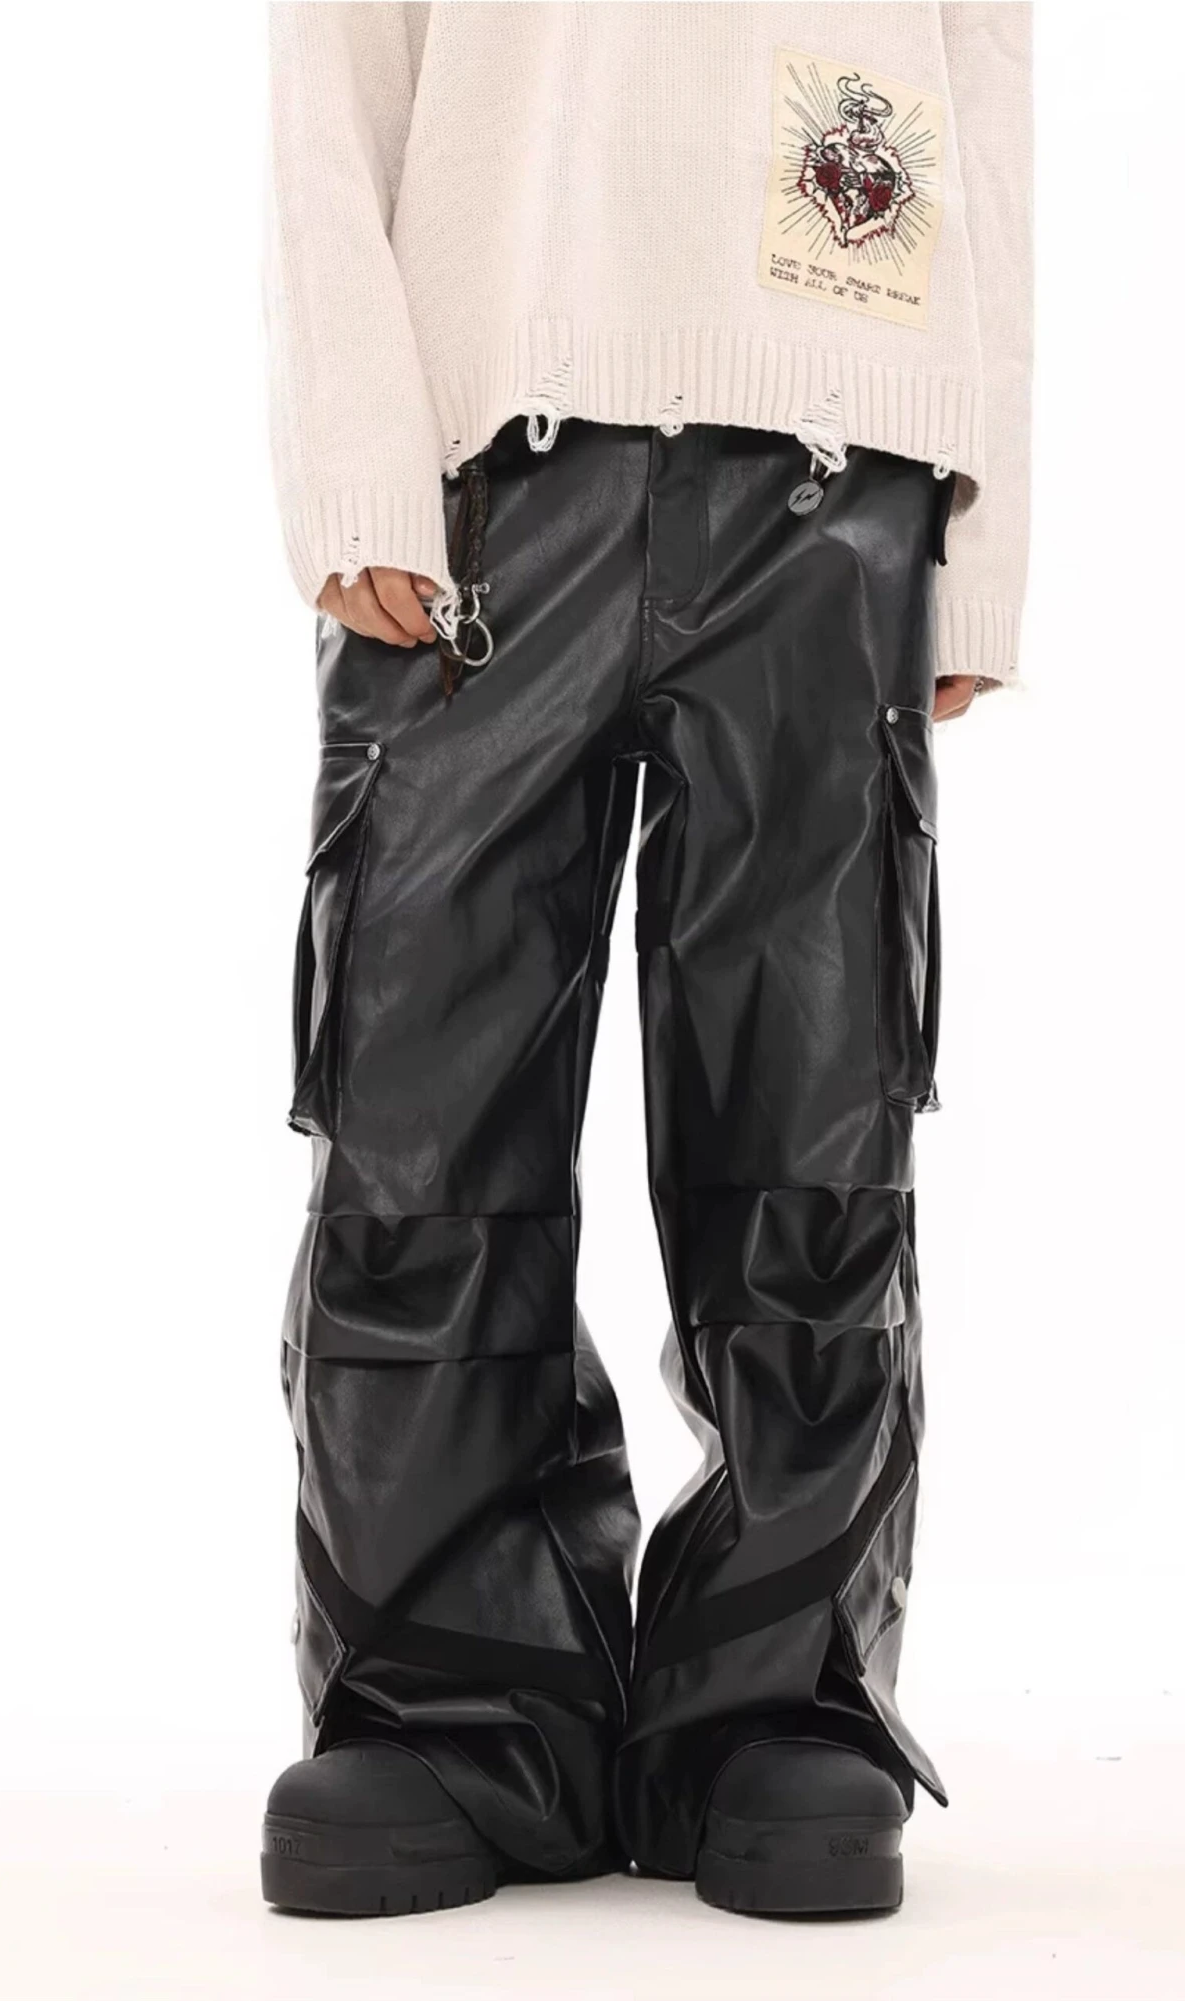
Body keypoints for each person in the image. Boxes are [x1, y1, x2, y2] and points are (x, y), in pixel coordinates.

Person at [260, 0, 1031, 1919]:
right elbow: (334, 61)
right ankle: (455, 1699)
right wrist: (354, 445)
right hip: (485, 466)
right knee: (423, 1082)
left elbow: (982, 63)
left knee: (813, 1094)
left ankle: (773, 1692)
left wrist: (983, 531)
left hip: (845, 439)